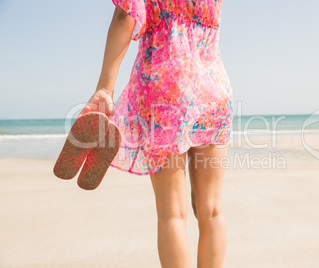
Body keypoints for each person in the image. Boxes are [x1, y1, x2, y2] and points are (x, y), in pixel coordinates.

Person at [81, 0, 234, 267]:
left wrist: (105, 87)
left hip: (166, 87)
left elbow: (124, 17)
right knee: (211, 210)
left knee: (172, 213)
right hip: (214, 89)